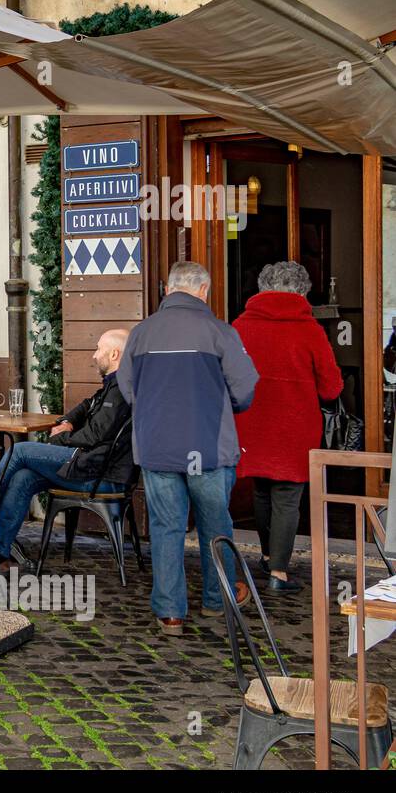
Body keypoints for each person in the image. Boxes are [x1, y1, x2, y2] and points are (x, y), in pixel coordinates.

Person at [116, 261, 259, 635]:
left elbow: (129, 389)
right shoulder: (220, 332)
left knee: (166, 527)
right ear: (204, 291)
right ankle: (218, 600)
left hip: (157, 447)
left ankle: (170, 613)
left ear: (168, 290)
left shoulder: (141, 333)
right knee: (216, 525)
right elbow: (244, 390)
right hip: (208, 448)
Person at [0, 328, 134, 578]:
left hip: (99, 474)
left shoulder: (120, 390)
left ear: (114, 354)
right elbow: (87, 405)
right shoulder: (115, 384)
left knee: (18, 451)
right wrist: (68, 421)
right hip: (91, 465)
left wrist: (61, 436)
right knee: (23, 477)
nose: (94, 355)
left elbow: (95, 434)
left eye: (98, 349)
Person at [232, 261, 342, 594]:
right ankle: (278, 573)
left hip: (250, 422)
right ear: (302, 291)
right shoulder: (309, 329)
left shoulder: (239, 326)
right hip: (293, 427)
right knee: (287, 498)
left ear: (262, 287)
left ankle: (267, 555)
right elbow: (331, 388)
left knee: (262, 491)